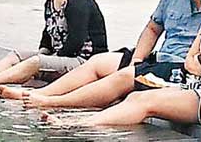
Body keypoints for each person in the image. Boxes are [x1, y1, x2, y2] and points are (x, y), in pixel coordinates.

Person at [9, 0, 201, 108]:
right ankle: (40, 93)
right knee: (99, 62)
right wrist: (137, 60)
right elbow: (152, 29)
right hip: (158, 57)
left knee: (124, 77)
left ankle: (52, 102)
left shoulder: (77, 0)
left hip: (179, 67)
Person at [41, 33, 201, 127]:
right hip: (192, 83)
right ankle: (79, 120)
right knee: (135, 96)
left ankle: (78, 125)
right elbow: (190, 61)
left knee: (145, 101)